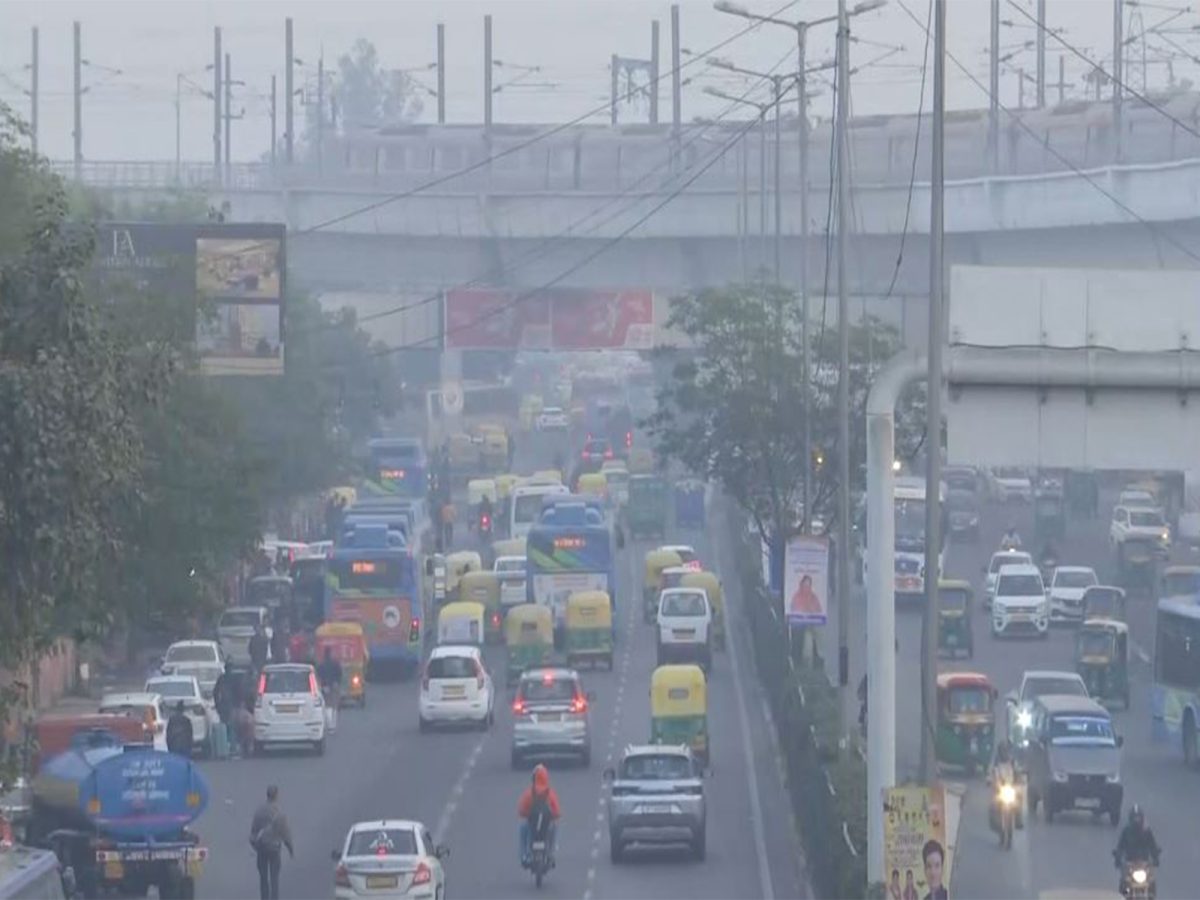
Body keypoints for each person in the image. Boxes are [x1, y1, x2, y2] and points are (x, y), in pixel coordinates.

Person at [250, 785, 294, 900]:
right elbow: (286, 834)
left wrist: (256, 846)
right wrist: (291, 850)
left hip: (262, 849)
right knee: (274, 879)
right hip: (274, 849)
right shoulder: (279, 813)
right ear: (276, 795)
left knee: (263, 878)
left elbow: (253, 832)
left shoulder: (259, 811)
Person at [517, 763, 561, 868]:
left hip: (532, 826)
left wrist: (527, 814)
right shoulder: (550, 793)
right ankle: (551, 855)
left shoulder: (529, 793)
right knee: (554, 828)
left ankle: (525, 855)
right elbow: (557, 812)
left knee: (523, 828)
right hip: (547, 827)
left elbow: (521, 810)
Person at [1114, 804, 1160, 890]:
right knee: (1124, 881)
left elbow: (1153, 846)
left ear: (1142, 818)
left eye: (1138, 818)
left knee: (1151, 881)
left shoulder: (1147, 832)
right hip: (1130, 863)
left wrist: (1156, 857)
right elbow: (1120, 846)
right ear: (1131, 819)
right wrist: (1118, 857)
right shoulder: (1126, 832)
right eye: (1135, 818)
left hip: (1144, 863)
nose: (1136, 820)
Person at [317, 647, 343, 730]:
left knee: (327, 706)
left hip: (325, 686)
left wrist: (322, 685)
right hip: (334, 685)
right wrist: (337, 682)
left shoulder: (321, 664)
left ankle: (329, 725)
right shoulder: (335, 663)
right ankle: (333, 724)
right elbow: (340, 673)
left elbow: (319, 675)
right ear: (330, 653)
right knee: (334, 705)